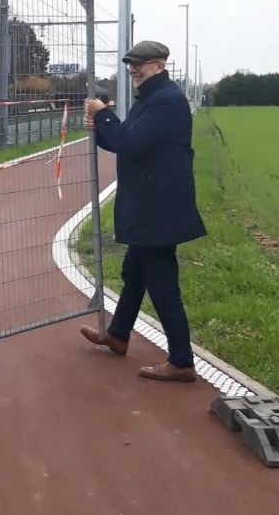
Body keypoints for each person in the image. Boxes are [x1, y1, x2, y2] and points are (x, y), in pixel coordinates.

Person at [78, 40, 207, 382]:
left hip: (158, 210)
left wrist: (103, 114)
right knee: (134, 273)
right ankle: (119, 335)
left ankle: (181, 360)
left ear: (160, 66)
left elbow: (130, 143)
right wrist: (101, 123)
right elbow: (125, 140)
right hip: (152, 206)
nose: (134, 69)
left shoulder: (166, 101)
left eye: (141, 64)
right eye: (131, 64)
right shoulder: (151, 100)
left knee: (163, 286)